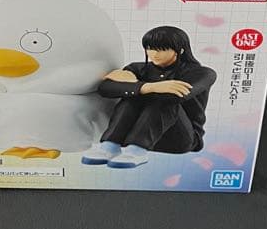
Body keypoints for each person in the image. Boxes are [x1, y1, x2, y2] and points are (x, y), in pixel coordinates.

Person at [81, 25, 216, 169]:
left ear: (180, 50)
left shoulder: (202, 73)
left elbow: (174, 97)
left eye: (161, 49)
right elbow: (105, 88)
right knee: (132, 98)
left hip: (178, 139)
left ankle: (136, 151)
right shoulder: (138, 68)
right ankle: (110, 146)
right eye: (150, 48)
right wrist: (148, 87)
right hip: (131, 138)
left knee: (162, 100)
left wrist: (135, 85)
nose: (154, 54)